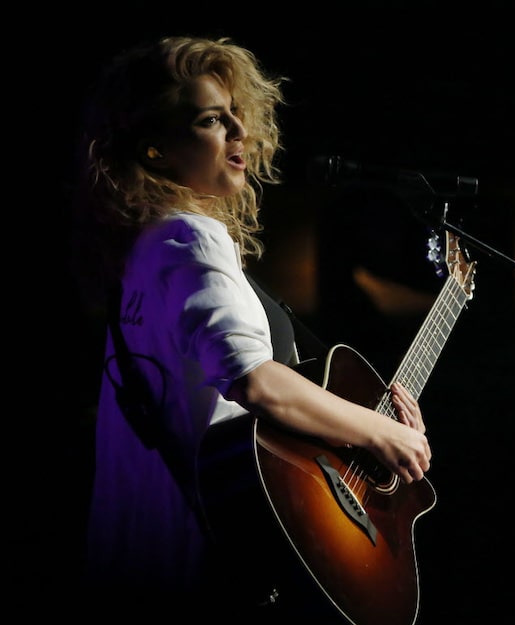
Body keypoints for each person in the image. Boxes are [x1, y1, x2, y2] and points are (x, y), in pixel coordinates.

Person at [71, 35, 432, 617]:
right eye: (213, 121)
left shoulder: (143, 253)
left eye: (237, 116)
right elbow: (255, 383)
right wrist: (378, 431)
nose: (240, 134)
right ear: (156, 149)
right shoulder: (191, 236)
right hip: (207, 566)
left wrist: (366, 415)